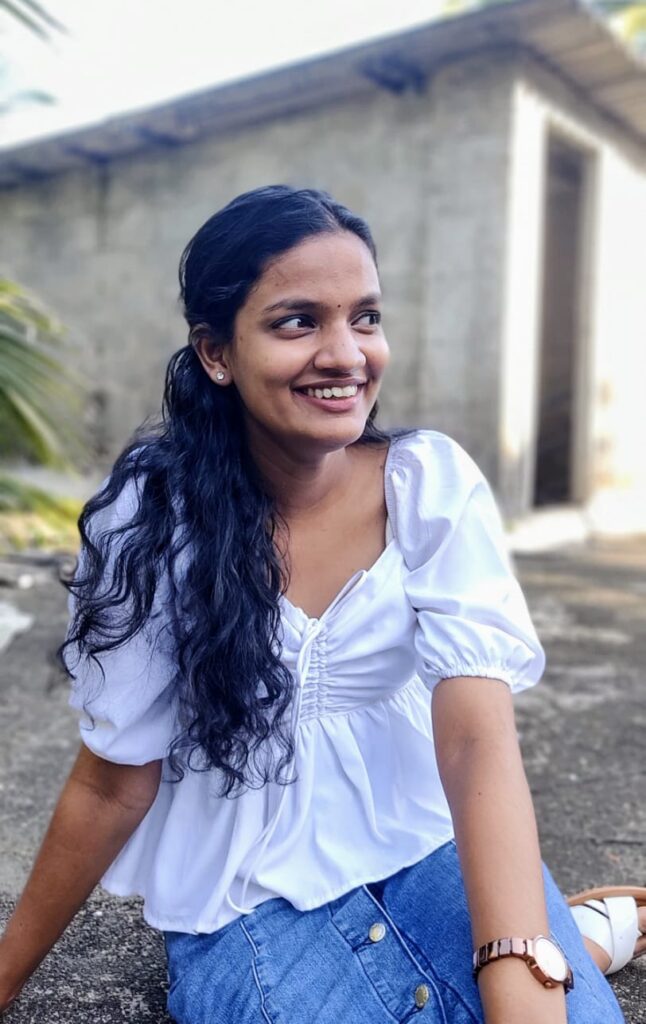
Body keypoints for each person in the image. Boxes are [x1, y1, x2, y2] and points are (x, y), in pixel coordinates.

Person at [0, 185, 643, 1024]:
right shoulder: (152, 521)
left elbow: (476, 743)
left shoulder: (428, 486)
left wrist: (518, 957)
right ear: (216, 352)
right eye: (297, 321)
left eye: (365, 318)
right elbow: (112, 784)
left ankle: (569, 939)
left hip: (427, 847)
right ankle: (589, 938)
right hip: (245, 894)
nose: (346, 354)